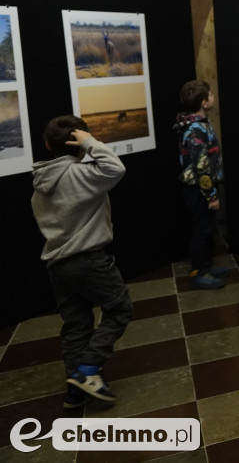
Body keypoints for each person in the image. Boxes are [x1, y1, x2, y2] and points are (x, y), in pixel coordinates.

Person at [31, 115, 132, 407]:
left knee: (76, 326)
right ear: (78, 142)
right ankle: (88, 370)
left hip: (57, 263)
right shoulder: (83, 175)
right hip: (88, 260)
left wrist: (84, 143)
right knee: (120, 308)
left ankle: (75, 394)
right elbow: (116, 167)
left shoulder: (39, 185)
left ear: (47, 145)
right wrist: (91, 143)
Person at [174, 80, 229, 290]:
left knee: (207, 228)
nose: (214, 97)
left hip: (204, 188)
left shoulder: (198, 124)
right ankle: (198, 271)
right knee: (201, 230)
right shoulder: (196, 130)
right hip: (199, 190)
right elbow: (201, 167)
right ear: (204, 102)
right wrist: (211, 196)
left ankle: (207, 265)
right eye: (211, 95)